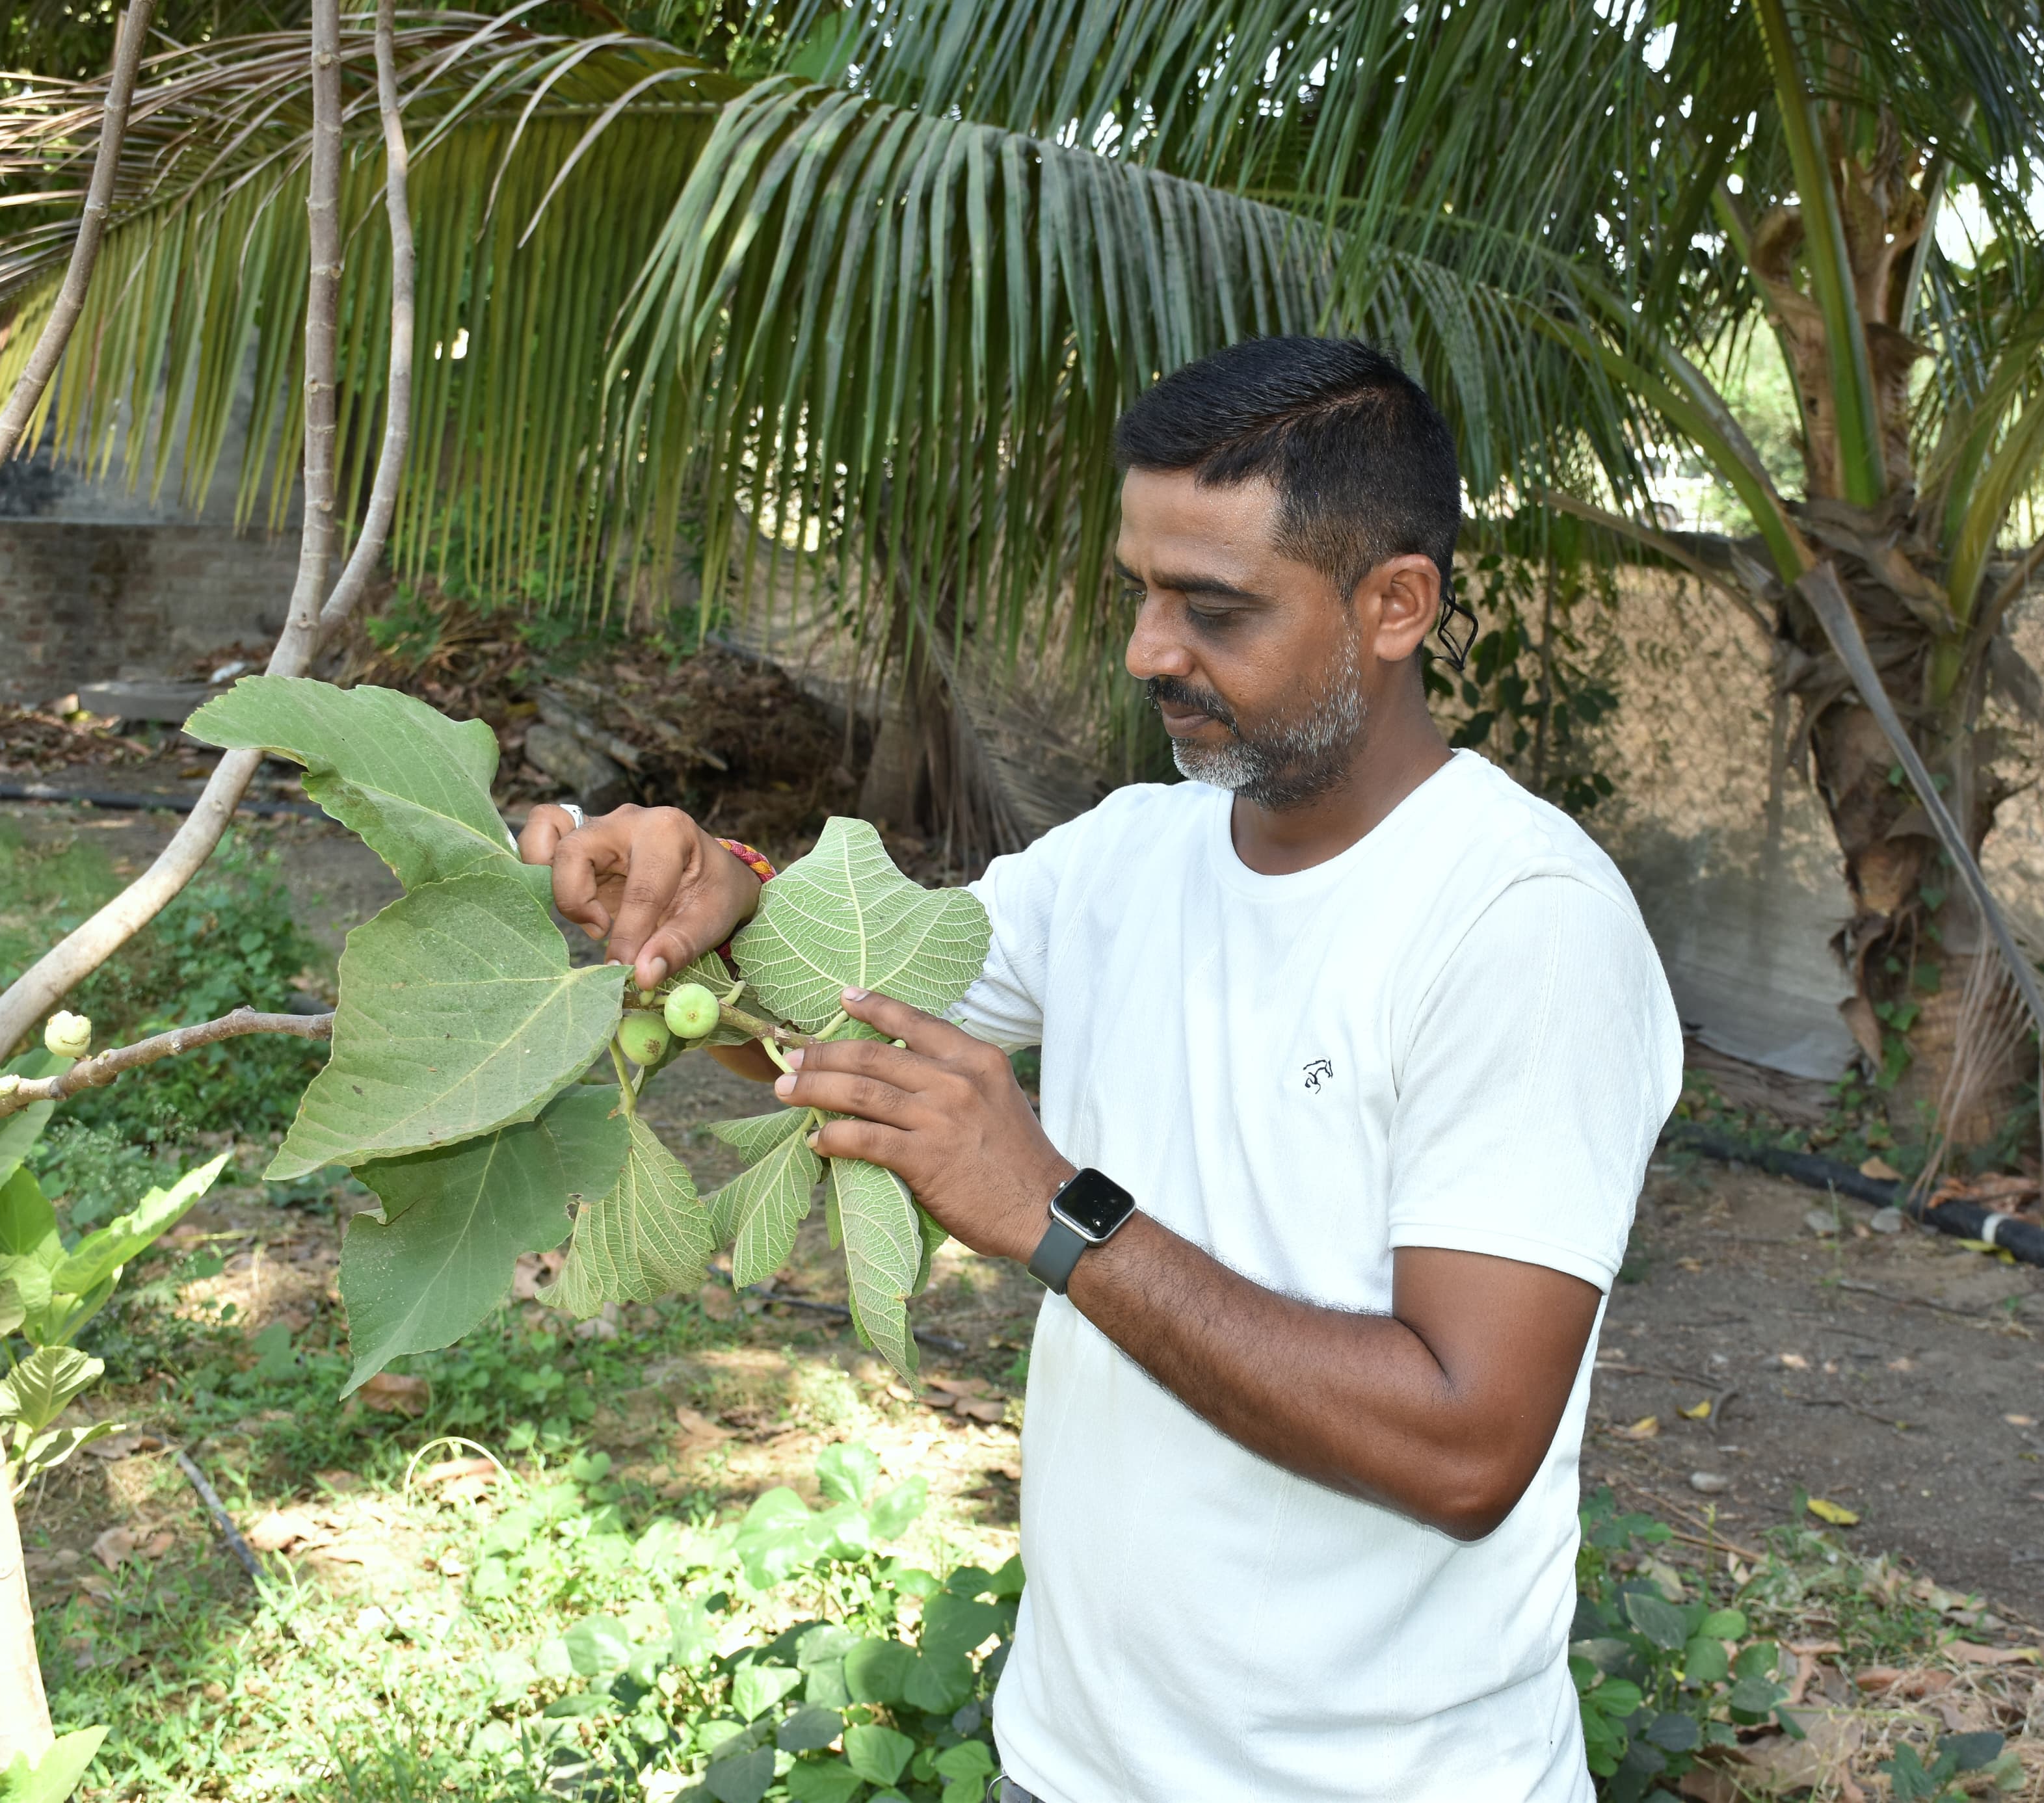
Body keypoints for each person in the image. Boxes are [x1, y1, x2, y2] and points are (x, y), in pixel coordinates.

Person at [518, 337, 1682, 1802]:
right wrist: (709, 902)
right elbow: (853, 1038)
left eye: (1214, 608)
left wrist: (1060, 1216)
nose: (1146, 649)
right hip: (1069, 1766)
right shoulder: (1127, 857)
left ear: (1396, 605)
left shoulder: (1523, 927)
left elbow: (1466, 1446)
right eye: (1140, 587)